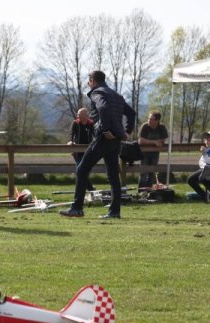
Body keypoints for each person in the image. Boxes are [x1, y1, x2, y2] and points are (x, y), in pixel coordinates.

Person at [60, 70, 136, 219]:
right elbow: (131, 113)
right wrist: (126, 131)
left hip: (103, 138)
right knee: (113, 175)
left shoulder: (97, 93)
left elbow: (102, 108)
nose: (88, 84)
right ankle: (115, 212)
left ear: (93, 81)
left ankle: (77, 208)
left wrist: (106, 129)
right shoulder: (116, 95)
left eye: (89, 82)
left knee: (82, 169)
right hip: (116, 139)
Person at [187, 131, 210, 203]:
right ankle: (204, 196)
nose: (206, 141)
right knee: (190, 180)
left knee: (202, 178)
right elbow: (201, 162)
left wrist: (204, 154)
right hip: (205, 169)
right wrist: (205, 165)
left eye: (209, 140)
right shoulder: (207, 150)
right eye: (205, 140)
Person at [137, 111, 169, 189]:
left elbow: (163, 140)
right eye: (148, 118)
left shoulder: (162, 127)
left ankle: (149, 192)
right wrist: (154, 142)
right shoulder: (145, 126)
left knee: (152, 173)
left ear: (157, 120)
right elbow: (140, 141)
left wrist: (160, 143)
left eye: (151, 119)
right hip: (144, 153)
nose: (149, 120)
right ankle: (141, 191)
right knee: (143, 172)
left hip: (155, 153)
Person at [68, 107, 95, 191]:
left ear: (85, 115)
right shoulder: (75, 123)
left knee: (82, 171)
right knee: (80, 170)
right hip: (77, 152)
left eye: (79, 114)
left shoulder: (91, 124)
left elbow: (95, 136)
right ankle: (90, 189)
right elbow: (71, 134)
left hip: (88, 151)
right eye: (78, 114)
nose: (77, 115)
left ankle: (83, 189)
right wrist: (70, 141)